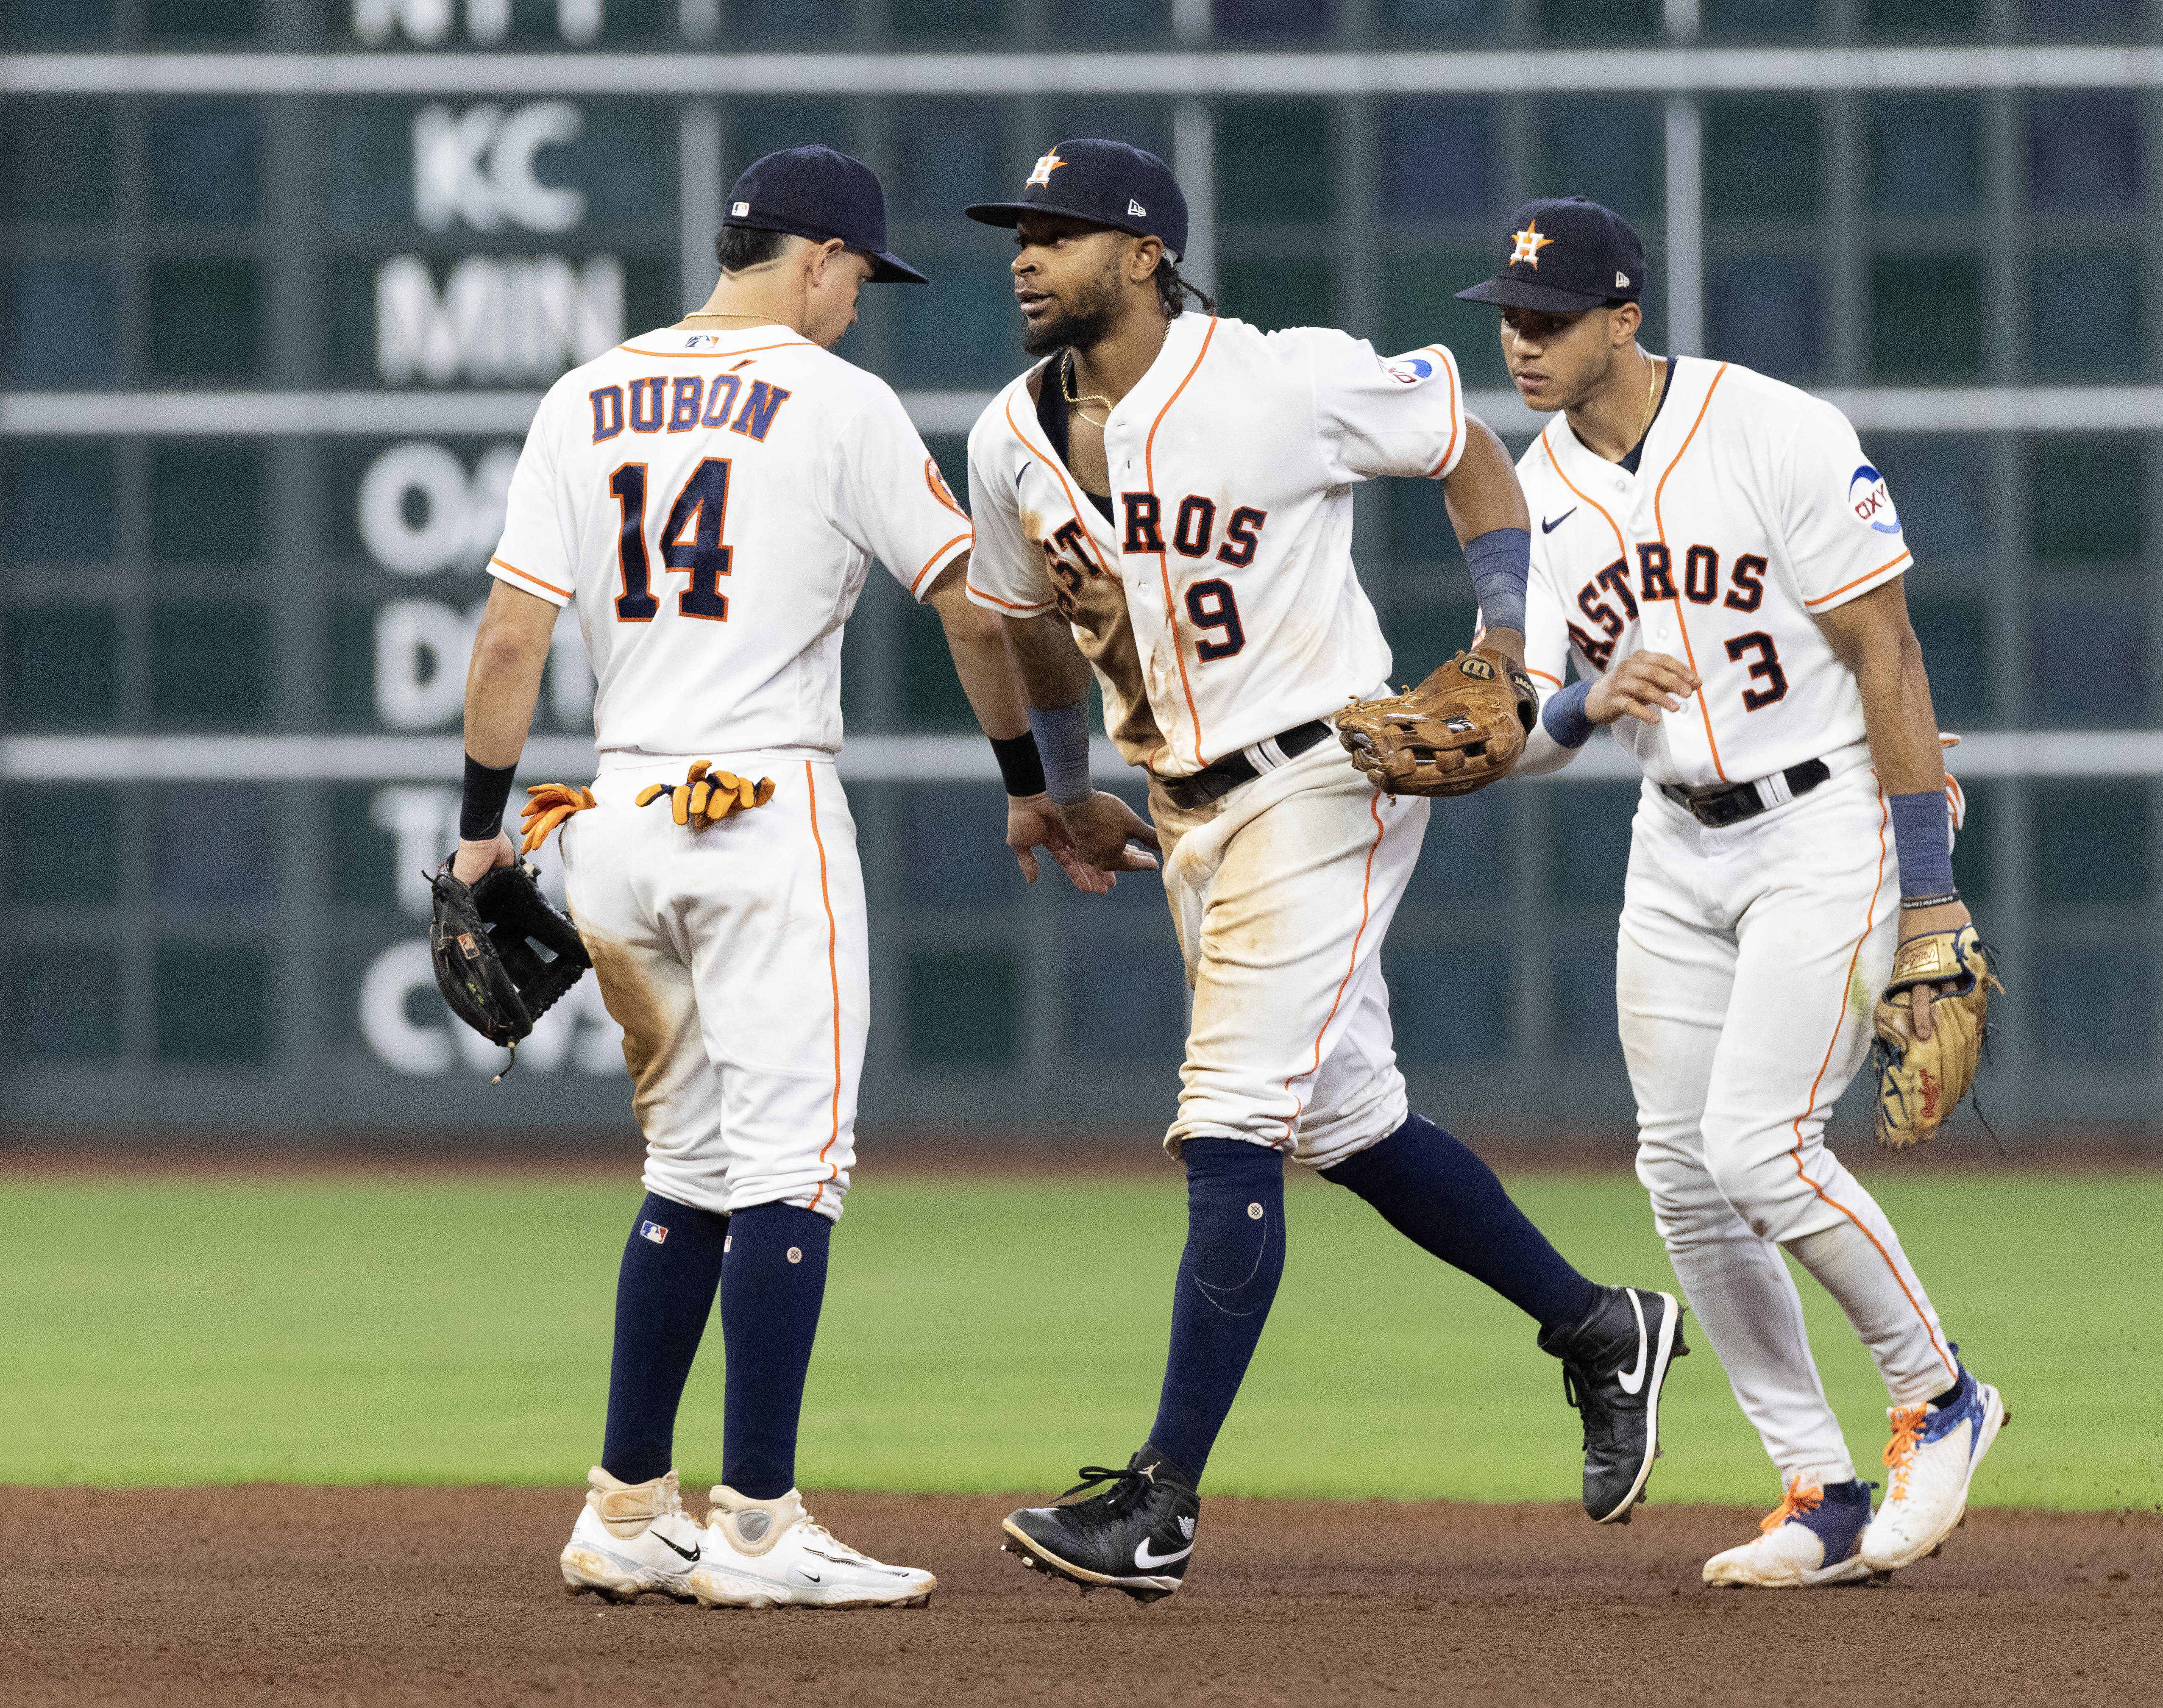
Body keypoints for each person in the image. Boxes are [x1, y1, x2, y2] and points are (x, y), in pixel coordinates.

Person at [961, 141, 1688, 1603]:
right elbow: (1024, 618)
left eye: (1062, 231)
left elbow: (1469, 452)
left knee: (1230, 1123)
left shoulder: (1279, 379)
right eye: (1020, 232)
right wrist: (1058, 788)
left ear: (1147, 254)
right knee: (1348, 1118)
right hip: (1187, 804)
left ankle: (1159, 1503)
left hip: (1325, 777)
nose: (1028, 254)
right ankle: (1602, 1328)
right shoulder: (1006, 435)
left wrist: (1501, 641)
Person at [450, 145, 1130, 1609]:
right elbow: (972, 612)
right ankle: (758, 1525)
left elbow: (508, 643)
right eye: (859, 282)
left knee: (684, 1165)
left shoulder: (584, 394)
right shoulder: (837, 403)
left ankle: (629, 1508)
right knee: (791, 1170)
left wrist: (477, 833)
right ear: (819, 258)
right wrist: (1035, 791)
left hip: (614, 817)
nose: (858, 309)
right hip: (763, 809)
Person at [1465, 196, 2005, 1588]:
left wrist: (1932, 897)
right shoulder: (1532, 491)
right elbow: (1510, 732)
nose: (1521, 344)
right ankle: (1815, 1487)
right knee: (1684, 1178)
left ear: (1626, 319)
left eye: (1550, 321)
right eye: (1509, 320)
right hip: (1675, 839)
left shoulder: (1774, 430)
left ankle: (1941, 1397)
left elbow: (1887, 656)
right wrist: (1580, 701)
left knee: (1759, 1148)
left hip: (1826, 821)